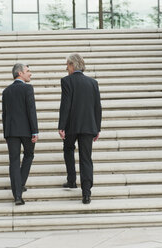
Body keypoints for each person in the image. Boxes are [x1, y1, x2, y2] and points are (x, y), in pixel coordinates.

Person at [58, 53, 102, 204]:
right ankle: (86, 192)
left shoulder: (66, 81)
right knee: (86, 158)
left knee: (68, 149)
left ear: (72, 65)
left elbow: (66, 105)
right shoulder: (93, 82)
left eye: (67, 65)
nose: (66, 68)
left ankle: (71, 180)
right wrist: (97, 128)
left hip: (71, 125)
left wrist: (61, 126)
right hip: (89, 126)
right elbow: (98, 107)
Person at [2, 63, 38, 205]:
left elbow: (4, 115)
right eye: (28, 71)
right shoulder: (28, 88)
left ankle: (17, 195)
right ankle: (21, 183)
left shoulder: (6, 91)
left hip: (11, 131)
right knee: (29, 155)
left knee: (14, 161)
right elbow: (31, 111)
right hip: (26, 131)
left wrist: (6, 133)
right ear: (20, 73)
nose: (30, 73)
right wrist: (35, 131)